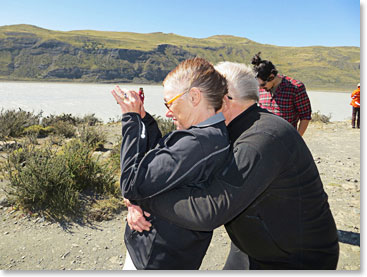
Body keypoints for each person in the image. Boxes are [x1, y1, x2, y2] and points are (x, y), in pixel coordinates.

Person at [129, 61, 339, 270]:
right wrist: (145, 123)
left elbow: (209, 210)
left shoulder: (262, 138)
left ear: (224, 99)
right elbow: (172, 164)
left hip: (297, 259)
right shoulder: (226, 132)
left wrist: (143, 197)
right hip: (251, 247)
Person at [110, 57, 230, 270]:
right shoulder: (207, 135)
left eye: (169, 102)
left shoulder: (198, 143)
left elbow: (130, 183)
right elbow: (162, 157)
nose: (167, 111)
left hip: (155, 258)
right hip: (169, 252)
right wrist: (144, 119)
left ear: (194, 96)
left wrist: (130, 119)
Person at [251, 52, 312, 136]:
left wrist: (297, 139)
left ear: (271, 76)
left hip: (287, 139)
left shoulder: (296, 88)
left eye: (262, 85)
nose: (260, 88)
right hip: (264, 138)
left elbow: (305, 116)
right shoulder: (260, 89)